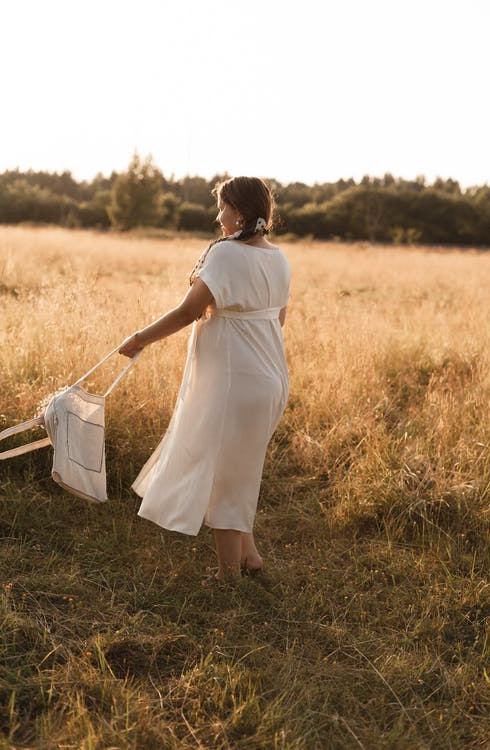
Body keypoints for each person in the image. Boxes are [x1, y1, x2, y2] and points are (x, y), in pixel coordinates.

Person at [119, 176, 291, 583]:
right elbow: (277, 320)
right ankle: (251, 559)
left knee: (227, 476)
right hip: (271, 380)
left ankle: (227, 577)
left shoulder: (226, 255)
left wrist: (140, 339)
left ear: (240, 213)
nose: (218, 216)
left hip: (236, 383)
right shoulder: (279, 258)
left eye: (223, 208)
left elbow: (188, 311)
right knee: (240, 469)